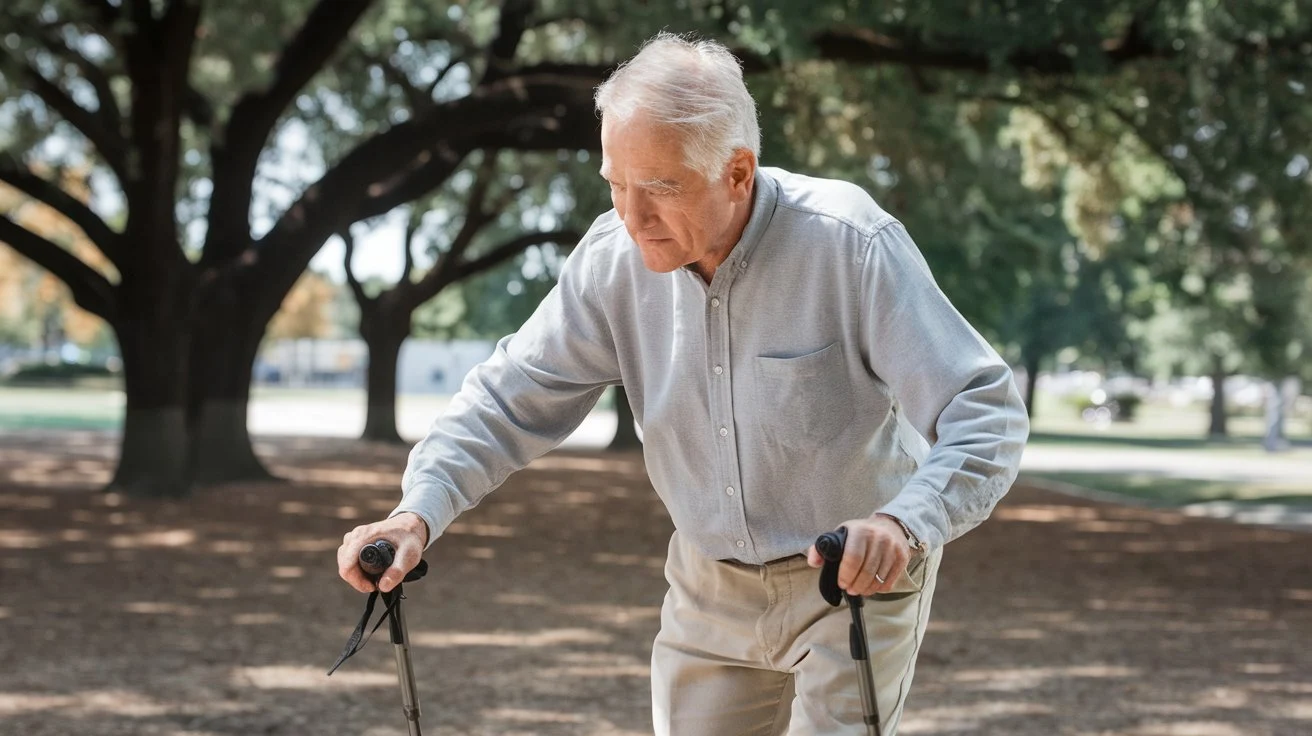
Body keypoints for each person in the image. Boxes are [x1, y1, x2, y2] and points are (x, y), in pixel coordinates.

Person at [337, 31, 1029, 735]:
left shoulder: (850, 244)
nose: (632, 219)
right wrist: (416, 511)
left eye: (660, 189)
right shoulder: (611, 260)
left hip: (852, 579)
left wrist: (903, 524)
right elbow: (505, 402)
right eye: (615, 185)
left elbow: (987, 411)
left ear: (737, 173)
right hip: (707, 586)